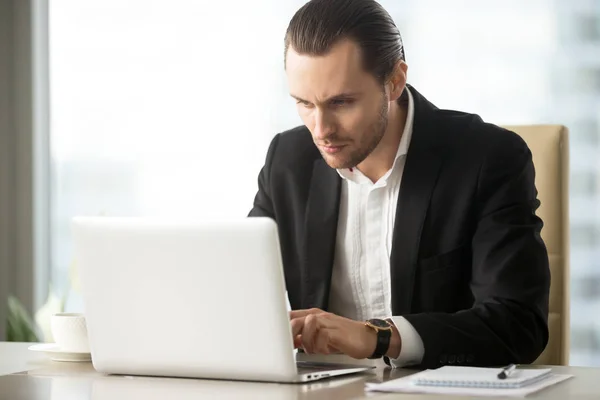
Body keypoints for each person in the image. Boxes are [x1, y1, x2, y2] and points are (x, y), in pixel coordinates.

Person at [248, 0, 550, 369]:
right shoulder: (287, 160)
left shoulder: (487, 160)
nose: (321, 129)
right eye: (304, 103)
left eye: (341, 102)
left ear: (394, 81)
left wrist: (378, 337)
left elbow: (518, 326)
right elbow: (242, 292)